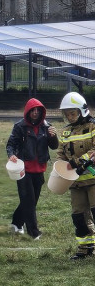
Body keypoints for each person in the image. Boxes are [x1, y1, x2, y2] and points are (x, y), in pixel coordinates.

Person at [6, 98, 58, 239]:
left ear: (42, 112)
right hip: (23, 170)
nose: (35, 113)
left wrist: (53, 136)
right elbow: (11, 143)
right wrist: (11, 155)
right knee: (28, 201)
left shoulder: (47, 126)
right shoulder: (20, 126)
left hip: (39, 168)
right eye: (32, 111)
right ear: (27, 112)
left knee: (31, 200)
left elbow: (54, 146)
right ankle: (34, 232)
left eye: (38, 111)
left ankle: (16, 223)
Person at [55, 92, 95, 260]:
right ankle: (85, 247)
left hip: (93, 179)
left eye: (73, 113)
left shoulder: (93, 127)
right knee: (78, 216)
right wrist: (60, 166)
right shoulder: (65, 132)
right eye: (67, 114)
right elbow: (60, 153)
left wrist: (79, 162)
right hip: (75, 182)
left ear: (82, 111)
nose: (70, 117)